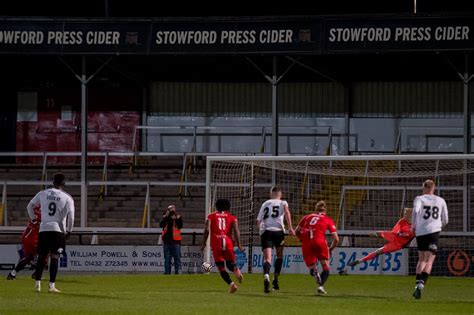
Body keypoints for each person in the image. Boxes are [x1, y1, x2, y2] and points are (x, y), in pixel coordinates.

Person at [28, 173, 75, 293]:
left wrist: (34, 219)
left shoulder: (43, 193)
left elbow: (30, 206)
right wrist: (69, 230)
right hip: (57, 230)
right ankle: (51, 286)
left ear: (52, 182)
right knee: (55, 257)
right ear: (63, 183)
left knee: (41, 257)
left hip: (44, 228)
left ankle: (37, 285)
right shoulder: (67, 197)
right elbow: (71, 216)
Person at [340, 207, 414, 274]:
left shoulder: (415, 225)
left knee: (378, 252)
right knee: (376, 233)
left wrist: (406, 235)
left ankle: (359, 261)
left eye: (406, 213)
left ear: (410, 214)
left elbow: (412, 235)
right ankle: (370, 236)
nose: (404, 215)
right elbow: (395, 230)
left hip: (398, 244)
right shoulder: (402, 221)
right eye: (404, 213)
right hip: (394, 236)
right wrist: (399, 233)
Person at [411, 179, 448, 299]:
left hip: (421, 232)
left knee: (421, 259)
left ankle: (417, 285)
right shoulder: (440, 200)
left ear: (424, 187)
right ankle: (421, 284)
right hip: (434, 232)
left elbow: (416, 211)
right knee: (430, 260)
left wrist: (414, 225)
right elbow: (446, 219)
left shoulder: (419, 198)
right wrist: (438, 225)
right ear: (434, 188)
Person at [295, 200, 339, 295]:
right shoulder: (327, 219)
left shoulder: (307, 217)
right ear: (325, 211)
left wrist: (301, 239)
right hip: (319, 240)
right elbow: (336, 239)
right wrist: (330, 249)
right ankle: (321, 286)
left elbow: (296, 231)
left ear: (316, 210)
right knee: (325, 266)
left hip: (306, 241)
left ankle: (314, 272)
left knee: (312, 266)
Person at [256, 186, 295, 293]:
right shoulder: (283, 203)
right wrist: (290, 227)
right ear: (280, 194)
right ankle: (275, 279)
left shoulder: (265, 203)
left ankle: (266, 275)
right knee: (279, 256)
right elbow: (287, 213)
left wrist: (261, 231)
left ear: (271, 194)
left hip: (267, 231)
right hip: (278, 232)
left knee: (267, 259)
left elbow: (258, 221)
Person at [201, 199, 244, 294]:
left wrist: (204, 243)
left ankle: (232, 284)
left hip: (216, 243)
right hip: (228, 242)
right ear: (228, 207)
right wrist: (239, 245)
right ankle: (236, 269)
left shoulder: (211, 216)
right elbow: (237, 231)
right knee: (230, 264)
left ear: (216, 206)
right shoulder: (232, 217)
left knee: (221, 267)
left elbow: (207, 230)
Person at [7, 205, 45, 280]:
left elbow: (30, 207)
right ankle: (37, 274)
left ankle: (12, 274)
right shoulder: (45, 213)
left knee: (29, 257)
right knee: (45, 254)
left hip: (27, 235)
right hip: (33, 237)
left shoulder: (37, 207)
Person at [159, 205, 183, 274]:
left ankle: (177, 272)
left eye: (173, 209)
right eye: (170, 210)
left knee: (177, 258)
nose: (172, 211)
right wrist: (166, 217)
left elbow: (180, 226)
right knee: (167, 258)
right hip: (167, 241)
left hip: (176, 241)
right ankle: (167, 272)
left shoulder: (178, 217)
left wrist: (175, 219)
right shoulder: (165, 217)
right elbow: (161, 225)